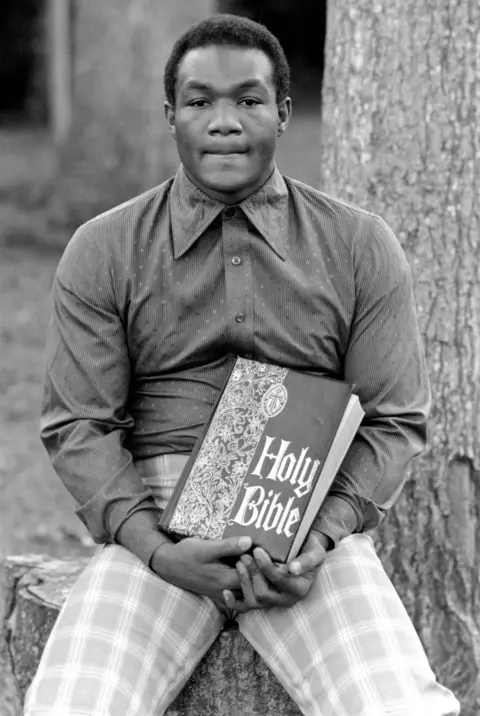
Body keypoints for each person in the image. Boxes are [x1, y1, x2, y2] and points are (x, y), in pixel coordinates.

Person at [25, 13, 460, 716]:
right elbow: (79, 425)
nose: (224, 121)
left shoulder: (358, 246)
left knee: (397, 706)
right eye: (200, 101)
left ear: (284, 112)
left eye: (249, 100)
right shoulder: (103, 249)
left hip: (304, 518)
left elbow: (395, 419)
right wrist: (156, 550)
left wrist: (319, 537)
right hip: (158, 525)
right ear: (171, 114)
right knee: (73, 704)